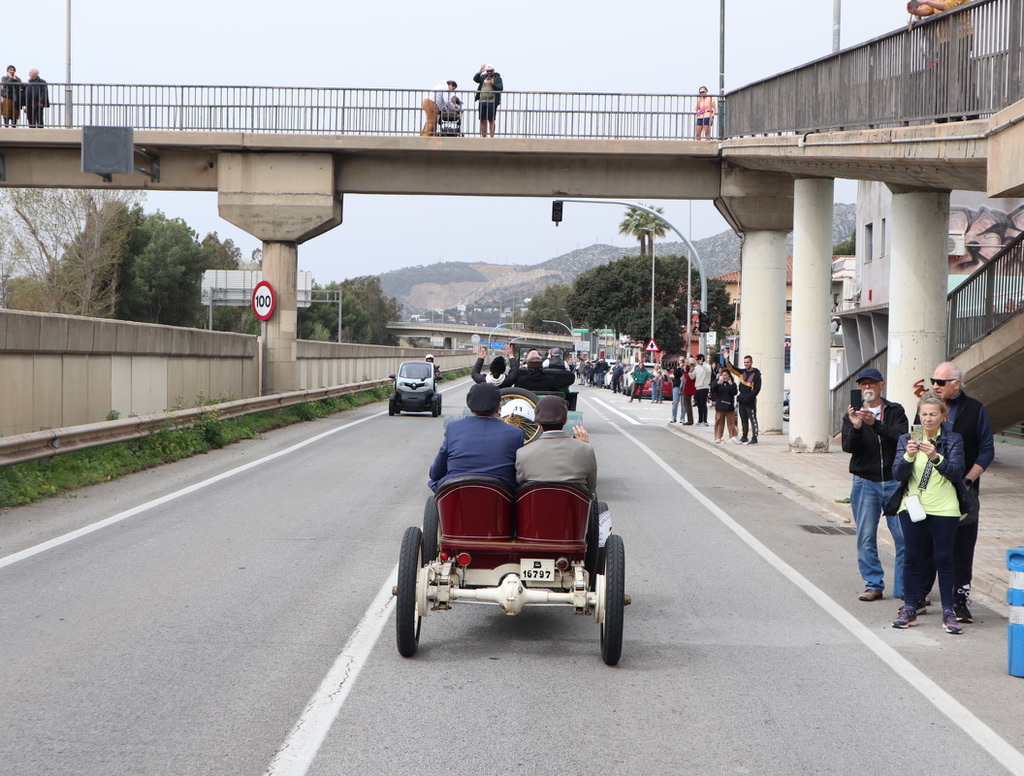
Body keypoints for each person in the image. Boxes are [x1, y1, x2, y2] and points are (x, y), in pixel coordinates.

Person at [915, 361, 995, 622]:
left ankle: (960, 600)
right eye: (933, 380)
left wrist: (968, 481)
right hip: (928, 490)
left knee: (962, 547)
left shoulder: (975, 409)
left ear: (956, 384)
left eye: (940, 382)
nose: (935, 386)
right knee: (927, 543)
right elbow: (914, 440)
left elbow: (986, 450)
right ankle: (919, 595)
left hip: (962, 490)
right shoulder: (926, 406)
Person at [890, 392, 973, 635]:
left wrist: (935, 456)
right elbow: (897, 473)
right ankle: (909, 608)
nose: (927, 419)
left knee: (944, 558)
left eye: (932, 414)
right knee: (912, 556)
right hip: (913, 506)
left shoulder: (953, 440)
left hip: (944, 507)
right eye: (923, 414)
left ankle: (948, 611)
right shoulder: (907, 439)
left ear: (943, 417)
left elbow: (957, 472)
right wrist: (909, 455)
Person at [840, 367, 909, 603]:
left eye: (872, 383)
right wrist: (858, 426)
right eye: (863, 384)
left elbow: (902, 438)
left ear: (882, 385)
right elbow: (849, 447)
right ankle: (873, 585)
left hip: (894, 482)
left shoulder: (895, 410)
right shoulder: (852, 414)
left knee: (903, 537)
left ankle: (904, 587)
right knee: (866, 535)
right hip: (865, 483)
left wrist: (875, 424)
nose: (867, 388)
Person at [428, 382, 524, 491]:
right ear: (498, 408)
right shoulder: (516, 433)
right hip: (500, 495)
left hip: (456, 492)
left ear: (471, 408)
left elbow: (435, 473)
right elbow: (519, 474)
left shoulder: (453, 428)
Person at [515, 395, 596, 494]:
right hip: (573, 507)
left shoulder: (523, 453)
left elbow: (521, 486)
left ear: (538, 423)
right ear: (565, 421)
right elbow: (591, 487)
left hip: (536, 506)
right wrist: (582, 445)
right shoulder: (586, 449)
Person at [736, 354, 761, 444]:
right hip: (742, 400)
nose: (746, 364)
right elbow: (732, 369)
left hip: (750, 400)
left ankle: (754, 437)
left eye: (748, 362)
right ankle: (744, 436)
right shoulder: (742, 373)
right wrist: (727, 359)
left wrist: (749, 397)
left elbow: (757, 389)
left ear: (751, 362)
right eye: (745, 362)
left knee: (753, 418)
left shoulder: (756, 374)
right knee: (743, 419)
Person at [473, 64, 503, 137]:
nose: (489, 72)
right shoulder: (483, 77)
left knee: (491, 119)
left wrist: (493, 84)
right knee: (482, 120)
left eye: (491, 71)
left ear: (493, 71)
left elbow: (500, 88)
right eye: (488, 71)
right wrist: (479, 72)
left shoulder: (497, 78)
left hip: (492, 101)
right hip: (482, 101)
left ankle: (491, 136)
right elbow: (475, 79)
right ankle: (484, 136)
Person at [711, 367, 738, 443]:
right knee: (719, 421)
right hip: (720, 405)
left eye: (726, 375)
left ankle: (733, 436)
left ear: (729, 375)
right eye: (723, 375)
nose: (724, 377)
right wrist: (717, 383)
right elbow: (713, 389)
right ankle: (718, 437)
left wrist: (731, 384)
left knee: (731, 422)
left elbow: (734, 392)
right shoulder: (718, 381)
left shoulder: (732, 383)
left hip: (729, 405)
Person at [693, 353, 712, 426]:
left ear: (701, 359)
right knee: (699, 404)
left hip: (704, 387)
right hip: (698, 387)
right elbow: (692, 376)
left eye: (697, 359)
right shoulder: (697, 367)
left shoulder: (707, 366)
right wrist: (690, 371)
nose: (697, 361)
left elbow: (708, 372)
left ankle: (705, 420)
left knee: (703, 404)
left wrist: (702, 364)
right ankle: (700, 420)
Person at [681, 360, 696, 424]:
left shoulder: (692, 369)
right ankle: (689, 419)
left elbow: (689, 378)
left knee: (688, 405)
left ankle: (690, 420)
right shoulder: (688, 369)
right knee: (686, 405)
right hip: (686, 389)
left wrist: (685, 371)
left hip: (689, 389)